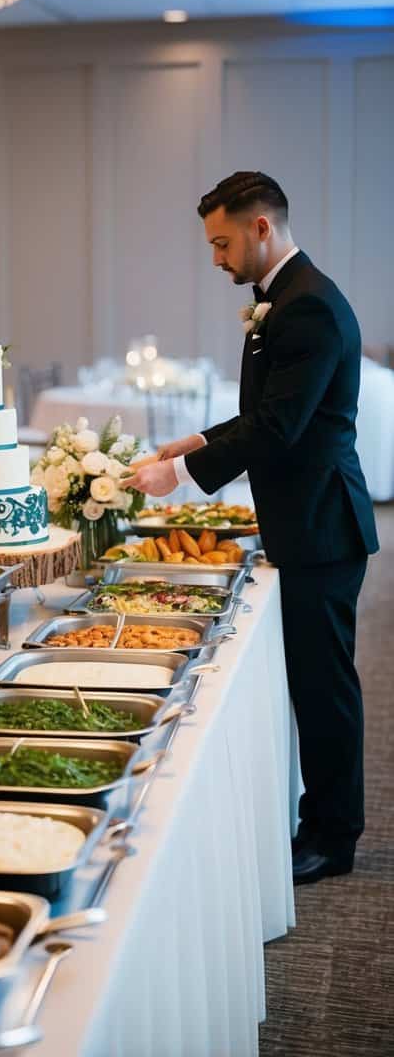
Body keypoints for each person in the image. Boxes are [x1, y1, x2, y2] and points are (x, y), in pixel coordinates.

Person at [120, 171, 378, 886]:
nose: (216, 259)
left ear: (261, 227)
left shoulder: (309, 308)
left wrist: (178, 477)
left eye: (222, 242)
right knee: (311, 681)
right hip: (304, 520)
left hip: (322, 526)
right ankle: (317, 819)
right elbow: (270, 411)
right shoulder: (284, 300)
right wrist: (197, 444)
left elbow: (281, 425)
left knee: (324, 688)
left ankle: (332, 837)